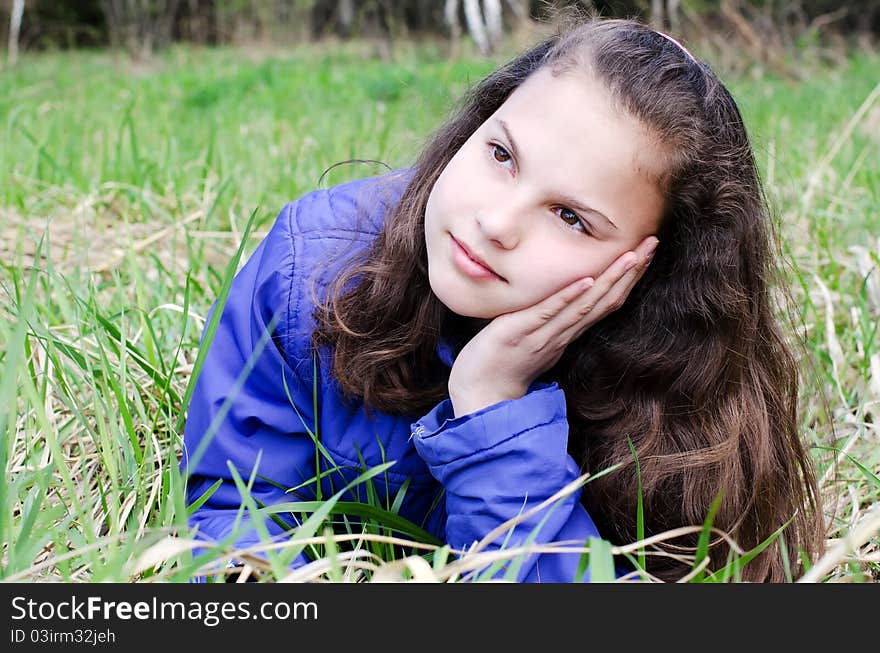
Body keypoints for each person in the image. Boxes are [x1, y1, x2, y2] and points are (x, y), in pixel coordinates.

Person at [180, 16, 825, 583]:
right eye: (501, 154)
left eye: (571, 217)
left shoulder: (671, 410)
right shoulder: (313, 271)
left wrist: (495, 410)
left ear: (653, 272)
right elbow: (234, 516)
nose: (496, 222)